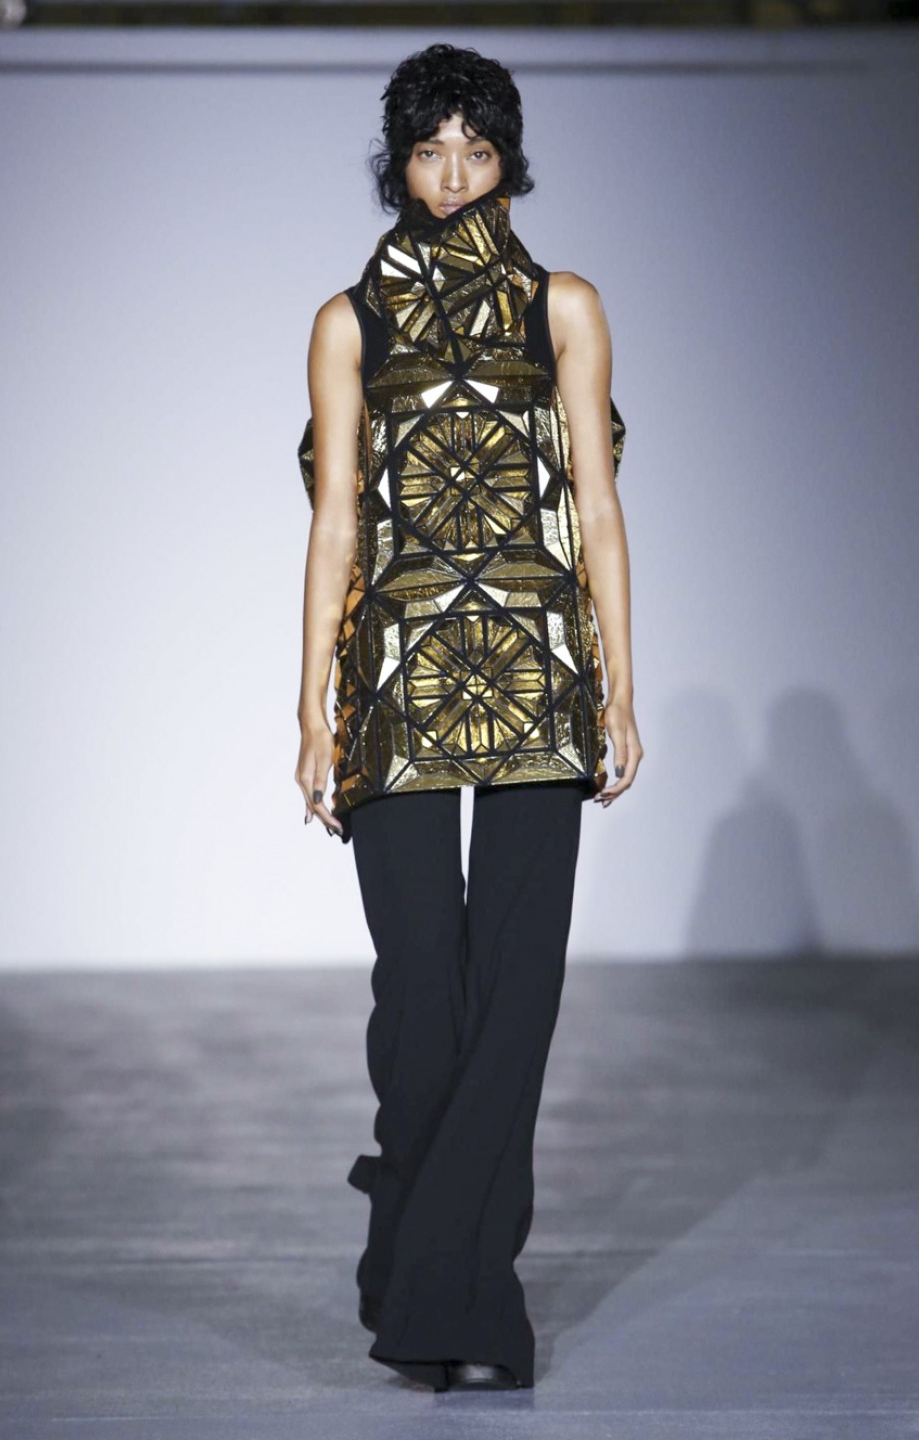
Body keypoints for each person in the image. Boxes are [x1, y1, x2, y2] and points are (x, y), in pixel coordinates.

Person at [295, 42, 642, 1393]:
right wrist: (310, 706)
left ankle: (455, 1299)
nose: (451, 176)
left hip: (540, 674)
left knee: (517, 994)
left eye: (476, 150)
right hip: (394, 679)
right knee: (423, 1001)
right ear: (397, 161)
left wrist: (623, 682)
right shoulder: (349, 322)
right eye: (430, 150)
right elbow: (336, 519)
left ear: (509, 160)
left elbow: (596, 502)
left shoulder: (566, 307)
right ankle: (415, 1247)